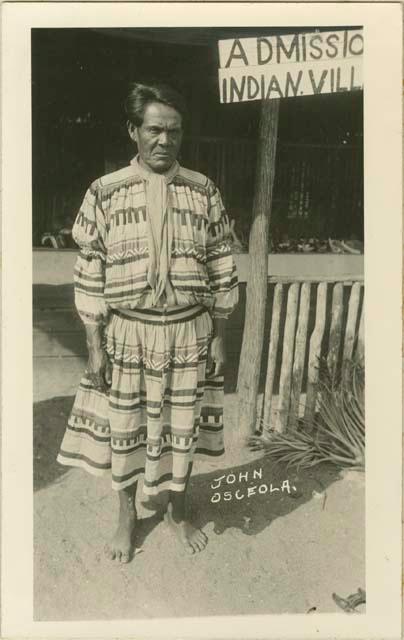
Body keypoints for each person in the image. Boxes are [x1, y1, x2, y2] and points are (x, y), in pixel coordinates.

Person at [57, 82, 239, 563]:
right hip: (127, 332)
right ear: (133, 131)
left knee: (183, 427)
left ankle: (177, 514)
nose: (164, 140)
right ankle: (127, 517)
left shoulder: (204, 191)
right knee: (128, 429)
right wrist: (95, 343)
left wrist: (219, 335)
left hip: (188, 332)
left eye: (174, 132)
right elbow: (89, 270)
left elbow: (222, 264)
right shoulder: (106, 192)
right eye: (154, 130)